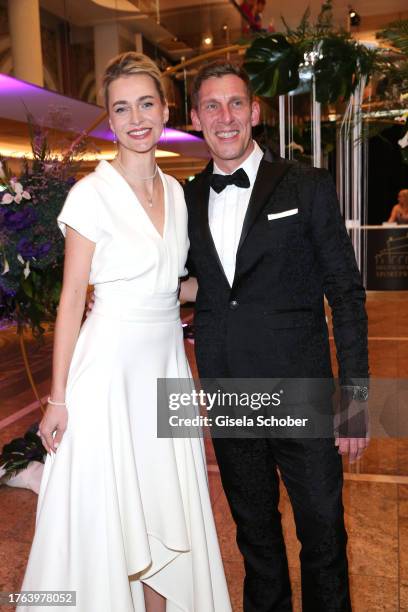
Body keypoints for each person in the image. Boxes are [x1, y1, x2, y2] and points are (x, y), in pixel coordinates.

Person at [17, 52, 231, 612]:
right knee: (114, 507)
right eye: (121, 108)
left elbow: (173, 287)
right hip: (108, 371)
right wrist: (57, 398)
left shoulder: (180, 195)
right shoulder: (91, 194)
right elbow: (70, 301)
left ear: (164, 110)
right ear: (110, 121)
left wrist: (246, 285)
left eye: (145, 103)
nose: (136, 118)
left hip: (165, 368)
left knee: (165, 504)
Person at [184, 60, 370, 612]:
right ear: (195, 118)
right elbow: (200, 284)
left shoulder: (305, 184)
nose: (225, 116)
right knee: (257, 542)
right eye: (212, 106)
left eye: (235, 103)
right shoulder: (187, 199)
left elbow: (346, 293)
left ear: (255, 112)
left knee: (324, 541)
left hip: (304, 396)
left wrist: (355, 399)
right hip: (230, 395)